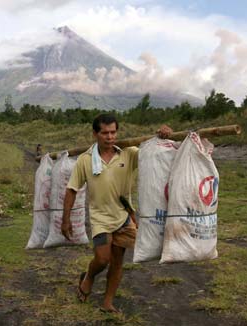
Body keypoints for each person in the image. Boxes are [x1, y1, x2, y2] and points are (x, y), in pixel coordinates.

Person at [61, 113, 172, 313]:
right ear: (95, 134)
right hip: (100, 218)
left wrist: (162, 136)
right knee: (103, 259)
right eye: (105, 133)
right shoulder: (86, 160)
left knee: (118, 261)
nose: (110, 137)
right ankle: (89, 276)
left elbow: (154, 153)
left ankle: (107, 302)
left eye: (113, 132)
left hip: (123, 216)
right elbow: (71, 190)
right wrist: (65, 220)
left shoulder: (128, 153)